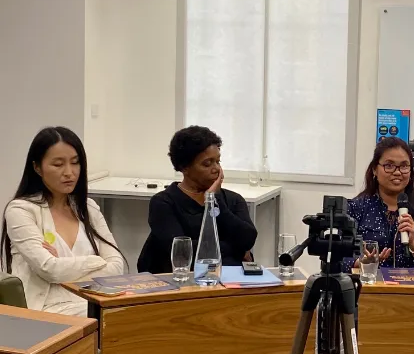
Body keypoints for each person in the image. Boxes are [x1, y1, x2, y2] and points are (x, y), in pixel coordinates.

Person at [1, 127, 125, 317]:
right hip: (46, 311)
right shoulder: (20, 210)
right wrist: (97, 261)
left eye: (75, 163)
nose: (69, 172)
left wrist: (62, 264)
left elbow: (117, 267)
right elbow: (49, 269)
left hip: (91, 301)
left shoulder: (88, 208)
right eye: (58, 164)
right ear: (37, 167)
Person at [138, 126, 257, 273]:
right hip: (181, 281)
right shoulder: (164, 203)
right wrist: (236, 249)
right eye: (207, 164)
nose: (216, 169)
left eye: (218, 161)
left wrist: (214, 199)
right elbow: (182, 252)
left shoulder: (232, 199)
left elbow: (248, 239)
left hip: (227, 281)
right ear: (185, 167)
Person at [343, 137, 414, 271]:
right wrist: (361, 262)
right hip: (369, 288)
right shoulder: (355, 208)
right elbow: (336, 259)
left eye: (404, 166)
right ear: (375, 169)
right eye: (389, 166)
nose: (397, 172)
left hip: (412, 289)